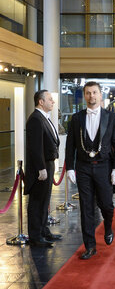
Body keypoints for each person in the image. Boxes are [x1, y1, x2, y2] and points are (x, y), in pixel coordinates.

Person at [66, 81, 115, 260]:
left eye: (94, 93)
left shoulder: (112, 117)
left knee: (106, 204)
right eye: (88, 93)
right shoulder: (76, 118)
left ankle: (108, 225)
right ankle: (90, 245)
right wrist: (69, 167)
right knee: (86, 207)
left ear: (101, 95)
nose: (91, 96)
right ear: (84, 96)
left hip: (104, 166)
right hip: (83, 168)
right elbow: (70, 146)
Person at [24, 90, 61, 247]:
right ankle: (35, 236)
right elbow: (35, 147)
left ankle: (43, 230)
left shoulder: (43, 118)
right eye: (50, 99)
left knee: (44, 200)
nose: (52, 102)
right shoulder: (35, 119)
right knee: (37, 202)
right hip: (41, 167)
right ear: (41, 102)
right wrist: (41, 168)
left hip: (48, 163)